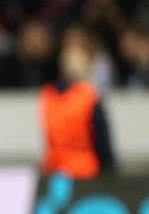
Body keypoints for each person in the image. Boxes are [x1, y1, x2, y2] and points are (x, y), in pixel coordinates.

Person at [39, 37, 115, 179]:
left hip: (55, 171)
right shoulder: (88, 97)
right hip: (86, 172)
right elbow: (103, 143)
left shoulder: (47, 95)